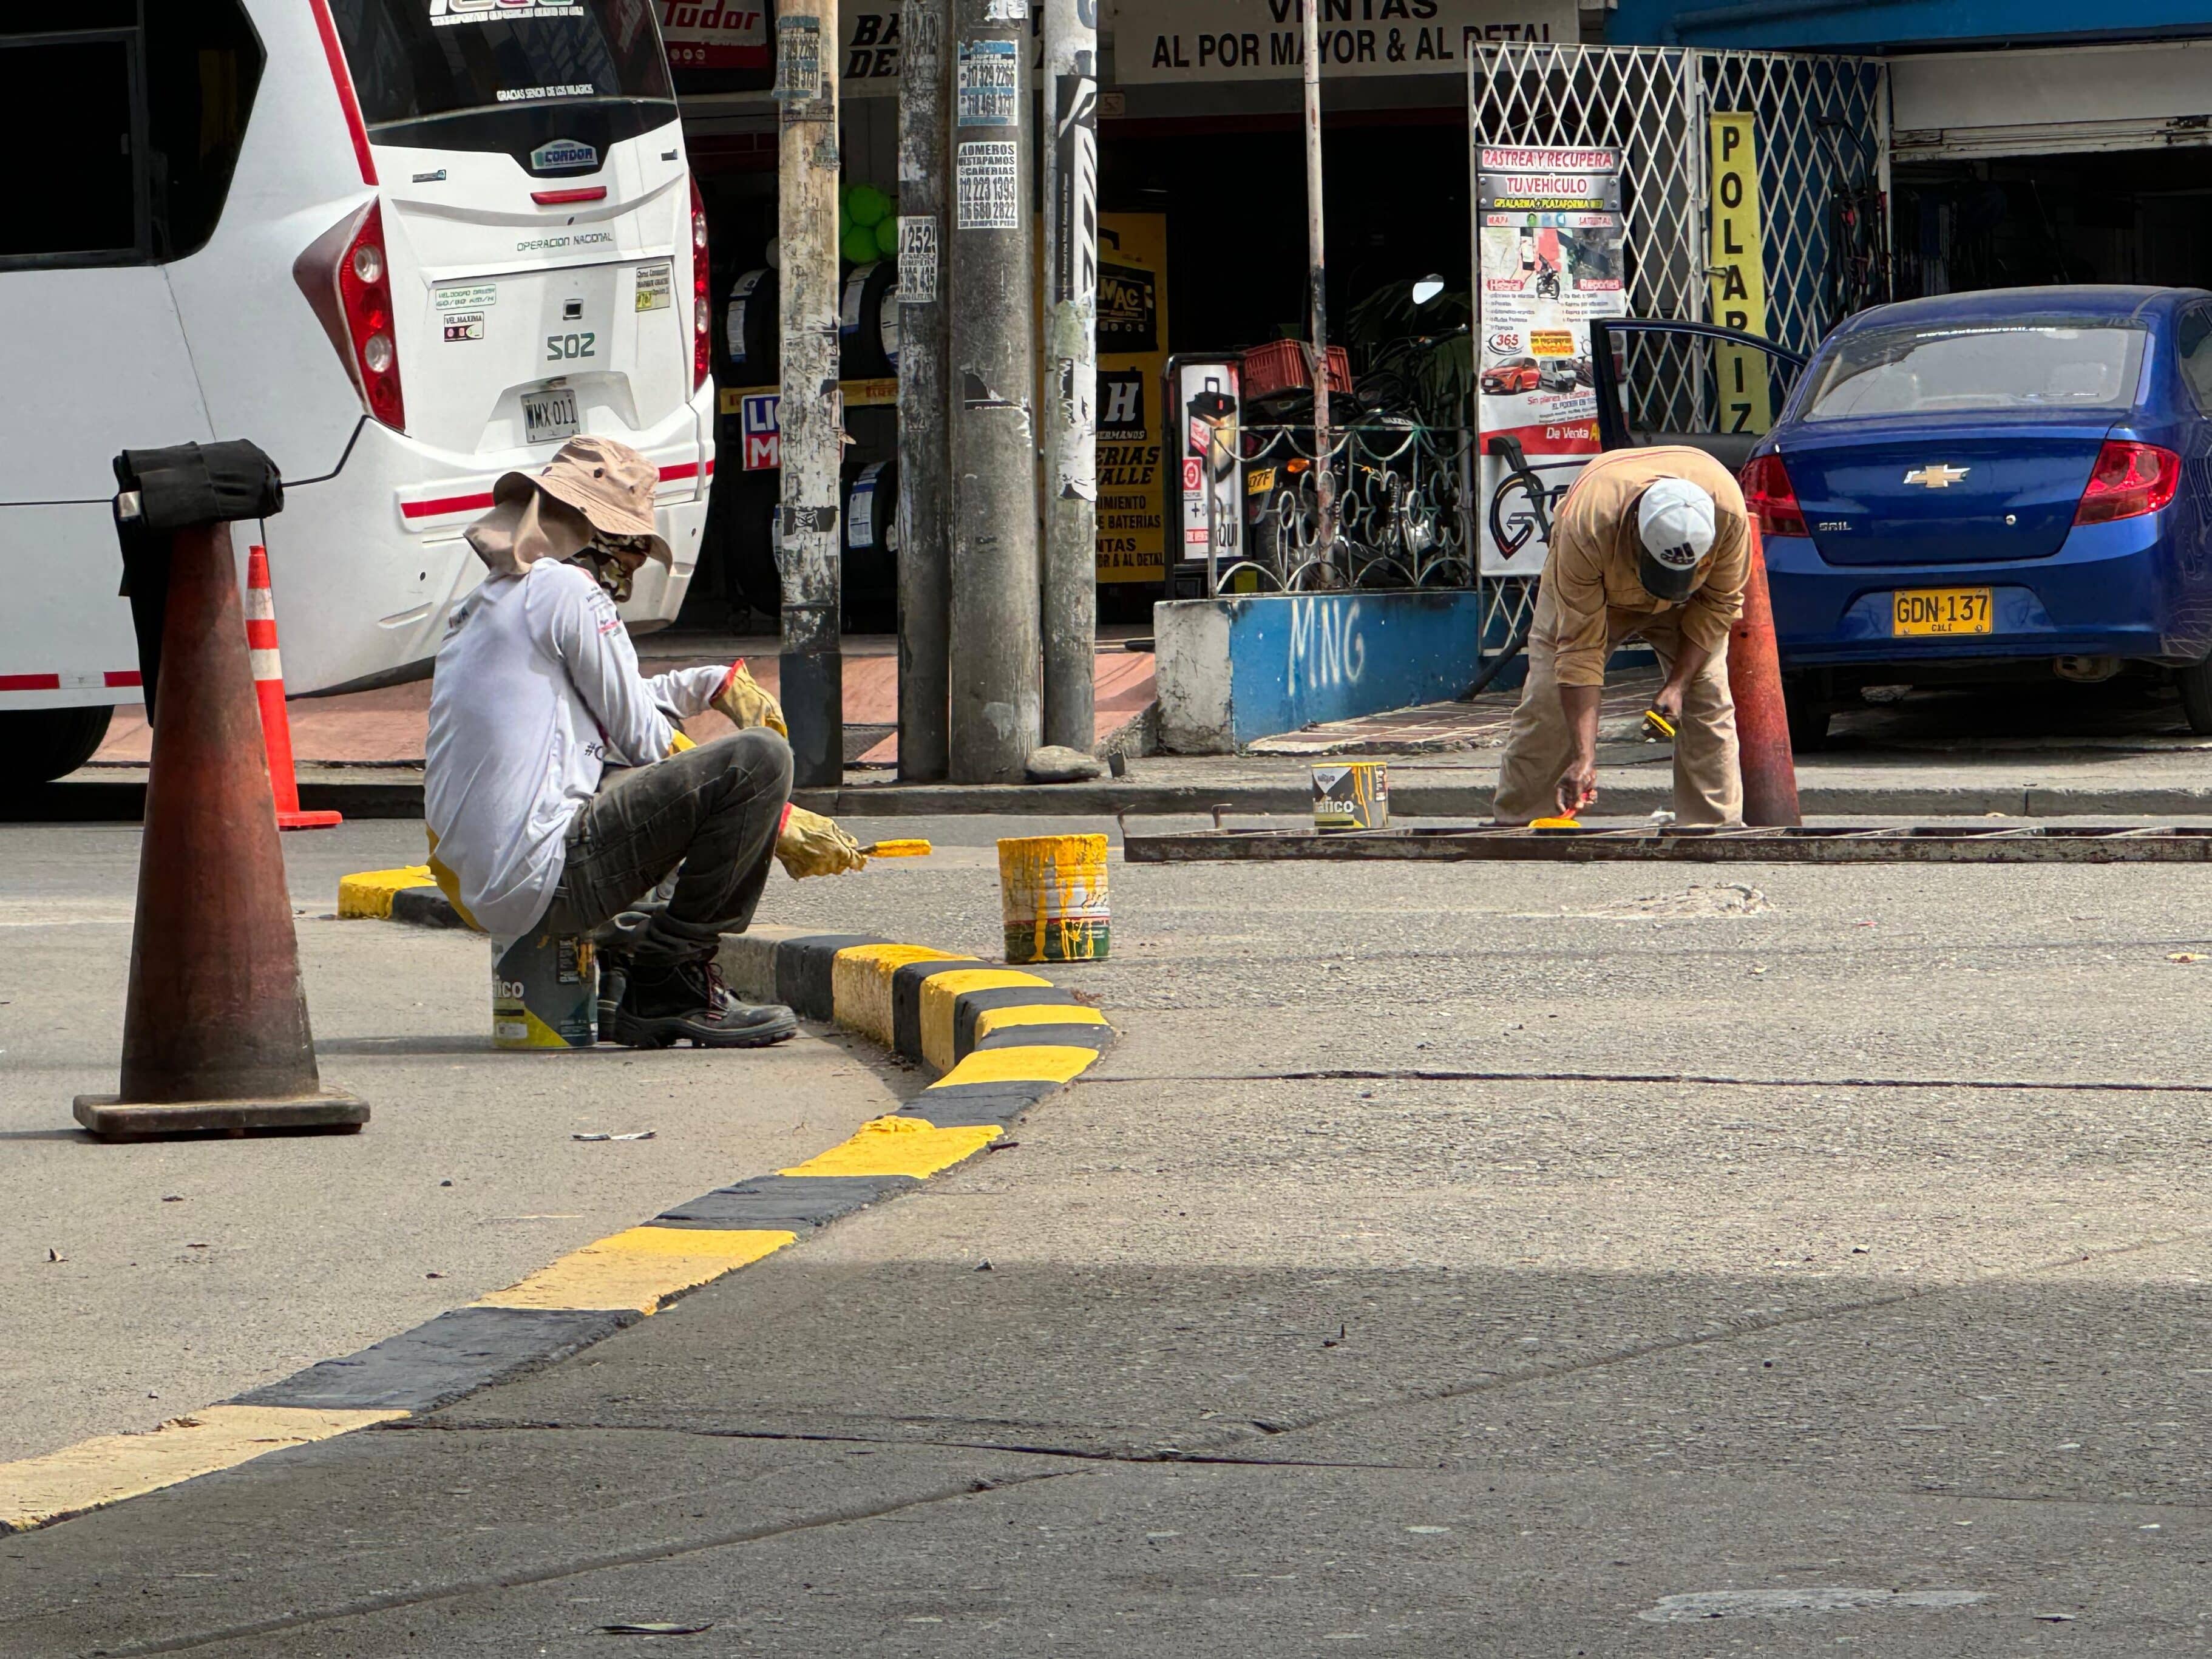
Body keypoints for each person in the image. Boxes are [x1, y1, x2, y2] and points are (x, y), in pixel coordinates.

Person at [424, 436, 867, 1048]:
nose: (629, 573)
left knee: (646, 782)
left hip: (481, 882)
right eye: (632, 552)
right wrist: (780, 817)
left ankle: (619, 984)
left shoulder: (490, 604)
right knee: (755, 765)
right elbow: (639, 738)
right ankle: (671, 981)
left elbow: (604, 708)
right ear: (601, 540)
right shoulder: (567, 592)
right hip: (541, 878)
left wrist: (710, 684)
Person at [1491, 446, 1750, 826]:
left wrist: (1678, 685)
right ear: (1634, 530)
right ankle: (1521, 817)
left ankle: (1712, 827)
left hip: (1690, 604)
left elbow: (1719, 605)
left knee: (1708, 698)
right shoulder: (1588, 525)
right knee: (1549, 696)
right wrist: (1585, 758)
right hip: (1597, 590)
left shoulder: (1727, 514)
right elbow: (1579, 651)